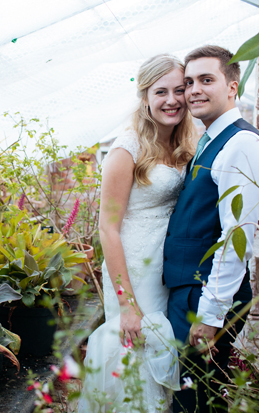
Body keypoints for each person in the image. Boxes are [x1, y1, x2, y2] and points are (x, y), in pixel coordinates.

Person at [79, 54, 195, 413]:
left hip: (164, 266)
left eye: (180, 90)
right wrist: (127, 303)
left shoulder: (185, 141)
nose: (172, 100)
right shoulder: (126, 149)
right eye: (161, 91)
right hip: (132, 265)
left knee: (158, 345)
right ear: (145, 97)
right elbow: (108, 229)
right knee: (136, 343)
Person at [163, 45, 259, 413]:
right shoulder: (210, 139)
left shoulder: (241, 143)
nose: (193, 90)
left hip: (205, 294)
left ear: (232, 86)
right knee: (191, 395)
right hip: (191, 288)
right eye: (189, 82)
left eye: (206, 80)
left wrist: (210, 316)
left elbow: (237, 236)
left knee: (195, 401)